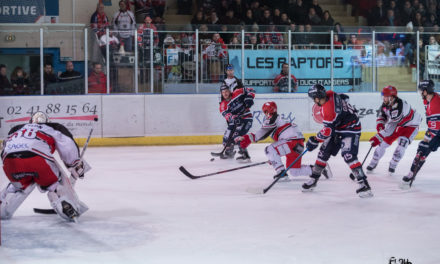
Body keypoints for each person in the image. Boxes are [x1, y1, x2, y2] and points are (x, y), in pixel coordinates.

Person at [0, 112, 88, 222]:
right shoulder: (52, 127)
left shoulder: (17, 129)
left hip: (10, 161)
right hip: (37, 160)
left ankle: (3, 206)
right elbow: (67, 146)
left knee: (18, 186)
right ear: (47, 121)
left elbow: (5, 146)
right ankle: (62, 201)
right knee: (55, 182)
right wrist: (74, 164)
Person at [303, 84, 373, 198]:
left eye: (313, 98)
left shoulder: (328, 109)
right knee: (323, 153)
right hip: (339, 127)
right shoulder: (330, 93)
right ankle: (313, 179)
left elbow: (327, 131)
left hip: (351, 128)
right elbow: (344, 97)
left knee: (349, 155)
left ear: (317, 97)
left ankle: (364, 184)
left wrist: (315, 140)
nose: (314, 101)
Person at [235, 101, 331, 180]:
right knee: (294, 171)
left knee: (269, 149)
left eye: (266, 111)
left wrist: (246, 137)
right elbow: (265, 133)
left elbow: (261, 134)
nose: (266, 114)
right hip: (298, 145)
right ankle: (319, 168)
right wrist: (274, 159)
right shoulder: (279, 119)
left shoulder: (273, 119)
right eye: (265, 112)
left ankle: (281, 173)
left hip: (291, 142)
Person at [366, 86, 422, 174]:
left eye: (385, 96)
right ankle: (374, 161)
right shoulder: (386, 104)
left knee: (401, 145)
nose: (383, 98)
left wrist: (379, 136)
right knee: (383, 144)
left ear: (392, 97)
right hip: (399, 124)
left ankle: (393, 163)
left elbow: (391, 127)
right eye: (383, 96)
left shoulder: (399, 107)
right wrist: (380, 124)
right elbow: (383, 115)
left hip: (410, 126)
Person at [401, 80, 440, 188]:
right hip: (436, 128)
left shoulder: (435, 105)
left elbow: (435, 128)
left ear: (427, 91)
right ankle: (412, 173)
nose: (420, 93)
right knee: (422, 149)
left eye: (422, 91)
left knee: (424, 147)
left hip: (438, 130)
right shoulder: (428, 99)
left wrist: (429, 138)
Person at [219, 84, 255, 162]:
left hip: (246, 118)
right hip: (235, 122)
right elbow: (226, 115)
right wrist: (233, 118)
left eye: (226, 91)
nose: (225, 94)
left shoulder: (238, 92)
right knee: (226, 137)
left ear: (229, 91)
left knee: (237, 136)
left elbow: (251, 89)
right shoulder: (223, 105)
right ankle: (229, 152)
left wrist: (249, 97)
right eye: (223, 92)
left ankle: (245, 155)